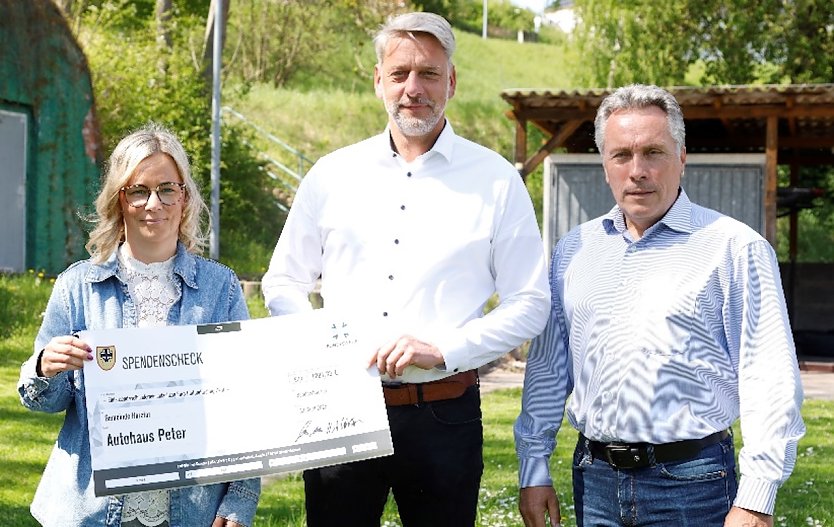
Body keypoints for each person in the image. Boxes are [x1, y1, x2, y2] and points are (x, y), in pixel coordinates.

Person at [261, 11, 550, 527]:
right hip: (340, 409)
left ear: (452, 82)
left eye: (429, 74)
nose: (413, 88)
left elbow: (531, 301)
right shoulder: (332, 175)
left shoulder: (497, 181)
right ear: (378, 81)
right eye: (399, 74)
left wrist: (445, 350)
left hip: (444, 410)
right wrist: (321, 345)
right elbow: (283, 280)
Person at [514, 83, 806, 527]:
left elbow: (769, 377)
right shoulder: (575, 249)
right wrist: (533, 469)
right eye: (621, 155)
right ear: (604, 165)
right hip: (594, 481)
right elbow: (550, 369)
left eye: (653, 152)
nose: (638, 171)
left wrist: (756, 497)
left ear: (682, 156)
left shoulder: (734, 247)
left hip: (694, 484)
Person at [18, 123, 260, 527]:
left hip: (191, 509)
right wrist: (46, 366)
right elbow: (45, 400)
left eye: (167, 189)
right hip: (90, 510)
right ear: (119, 199)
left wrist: (241, 499)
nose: (154, 204)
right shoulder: (78, 285)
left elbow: (246, 403)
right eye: (139, 190)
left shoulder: (222, 288)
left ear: (184, 198)